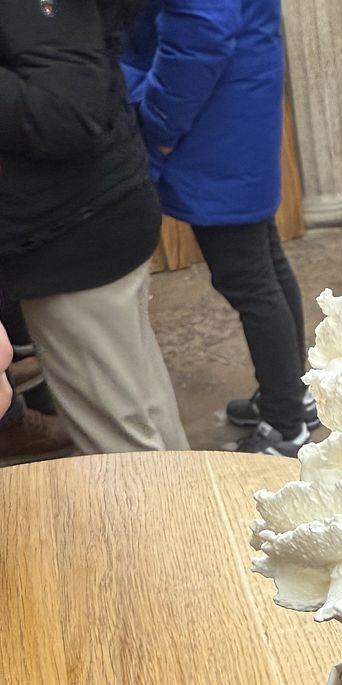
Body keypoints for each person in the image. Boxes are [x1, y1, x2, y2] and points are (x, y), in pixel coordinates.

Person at [123, 0, 318, 460]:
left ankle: (286, 425)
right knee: (264, 263)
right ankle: (291, 395)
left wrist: (158, 123)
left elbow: (201, 32)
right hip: (234, 104)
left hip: (212, 119)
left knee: (250, 278)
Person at [0, 0, 188, 454]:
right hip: (87, 217)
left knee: (120, 444)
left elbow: (65, 110)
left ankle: (165, 505)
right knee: (144, 409)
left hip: (68, 234)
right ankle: (190, 499)